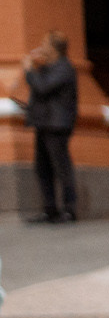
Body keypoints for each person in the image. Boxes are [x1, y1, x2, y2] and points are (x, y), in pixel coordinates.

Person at [12, 32, 78, 224]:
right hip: (44, 123)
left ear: (54, 48)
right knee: (42, 168)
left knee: (61, 168)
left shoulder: (64, 68)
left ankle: (69, 210)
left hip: (57, 125)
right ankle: (50, 210)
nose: (41, 47)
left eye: (44, 44)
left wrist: (29, 70)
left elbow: (42, 87)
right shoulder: (48, 67)